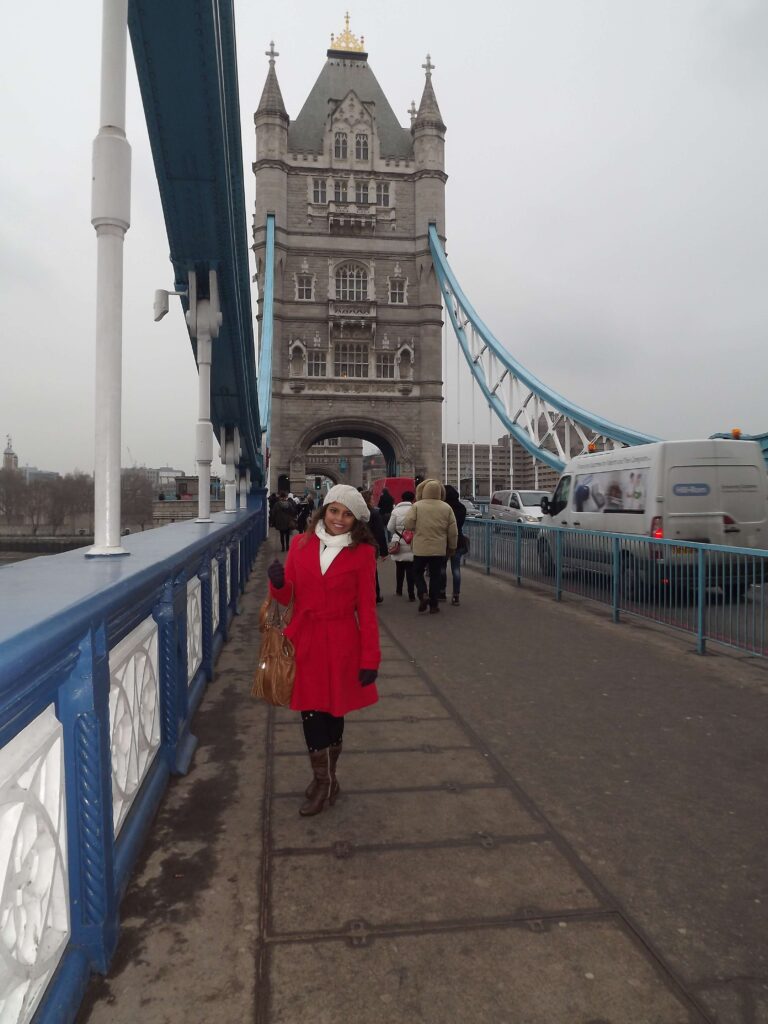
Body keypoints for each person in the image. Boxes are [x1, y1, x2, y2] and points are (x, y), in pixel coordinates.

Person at [266, 485, 380, 816]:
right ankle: (324, 781)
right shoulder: (301, 545)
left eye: (347, 514)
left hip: (344, 640)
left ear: (357, 520)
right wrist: (277, 583)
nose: (338, 519)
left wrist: (370, 657)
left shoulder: (363, 554)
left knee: (334, 712)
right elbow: (288, 598)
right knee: (312, 711)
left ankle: (327, 779)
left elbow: (368, 611)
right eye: (334, 511)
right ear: (324, 510)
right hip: (306, 638)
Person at [403, 479, 458, 614]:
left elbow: (408, 525)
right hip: (438, 549)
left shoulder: (417, 506)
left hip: (421, 548)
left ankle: (422, 594)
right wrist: (452, 547)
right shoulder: (446, 507)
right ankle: (434, 605)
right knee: (435, 576)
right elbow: (453, 532)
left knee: (417, 572)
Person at [387, 490, 416, 600]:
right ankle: (411, 593)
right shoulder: (415, 509)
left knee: (399, 568)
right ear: (412, 499)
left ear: (402, 499)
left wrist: (398, 532)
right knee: (410, 569)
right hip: (411, 541)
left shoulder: (396, 511)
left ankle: (399, 590)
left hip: (398, 541)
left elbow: (390, 527)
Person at [361, 489, 389, 603]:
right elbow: (380, 534)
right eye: (372, 498)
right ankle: (375, 595)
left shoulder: (355, 514)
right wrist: (384, 552)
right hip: (370, 547)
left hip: (357, 546)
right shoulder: (374, 513)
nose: (374, 501)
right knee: (372, 573)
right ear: (367, 500)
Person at [442, 485, 467, 605]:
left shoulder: (444, 508)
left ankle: (441, 592)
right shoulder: (462, 508)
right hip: (458, 540)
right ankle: (456, 595)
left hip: (444, 541)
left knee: (442, 567)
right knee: (456, 569)